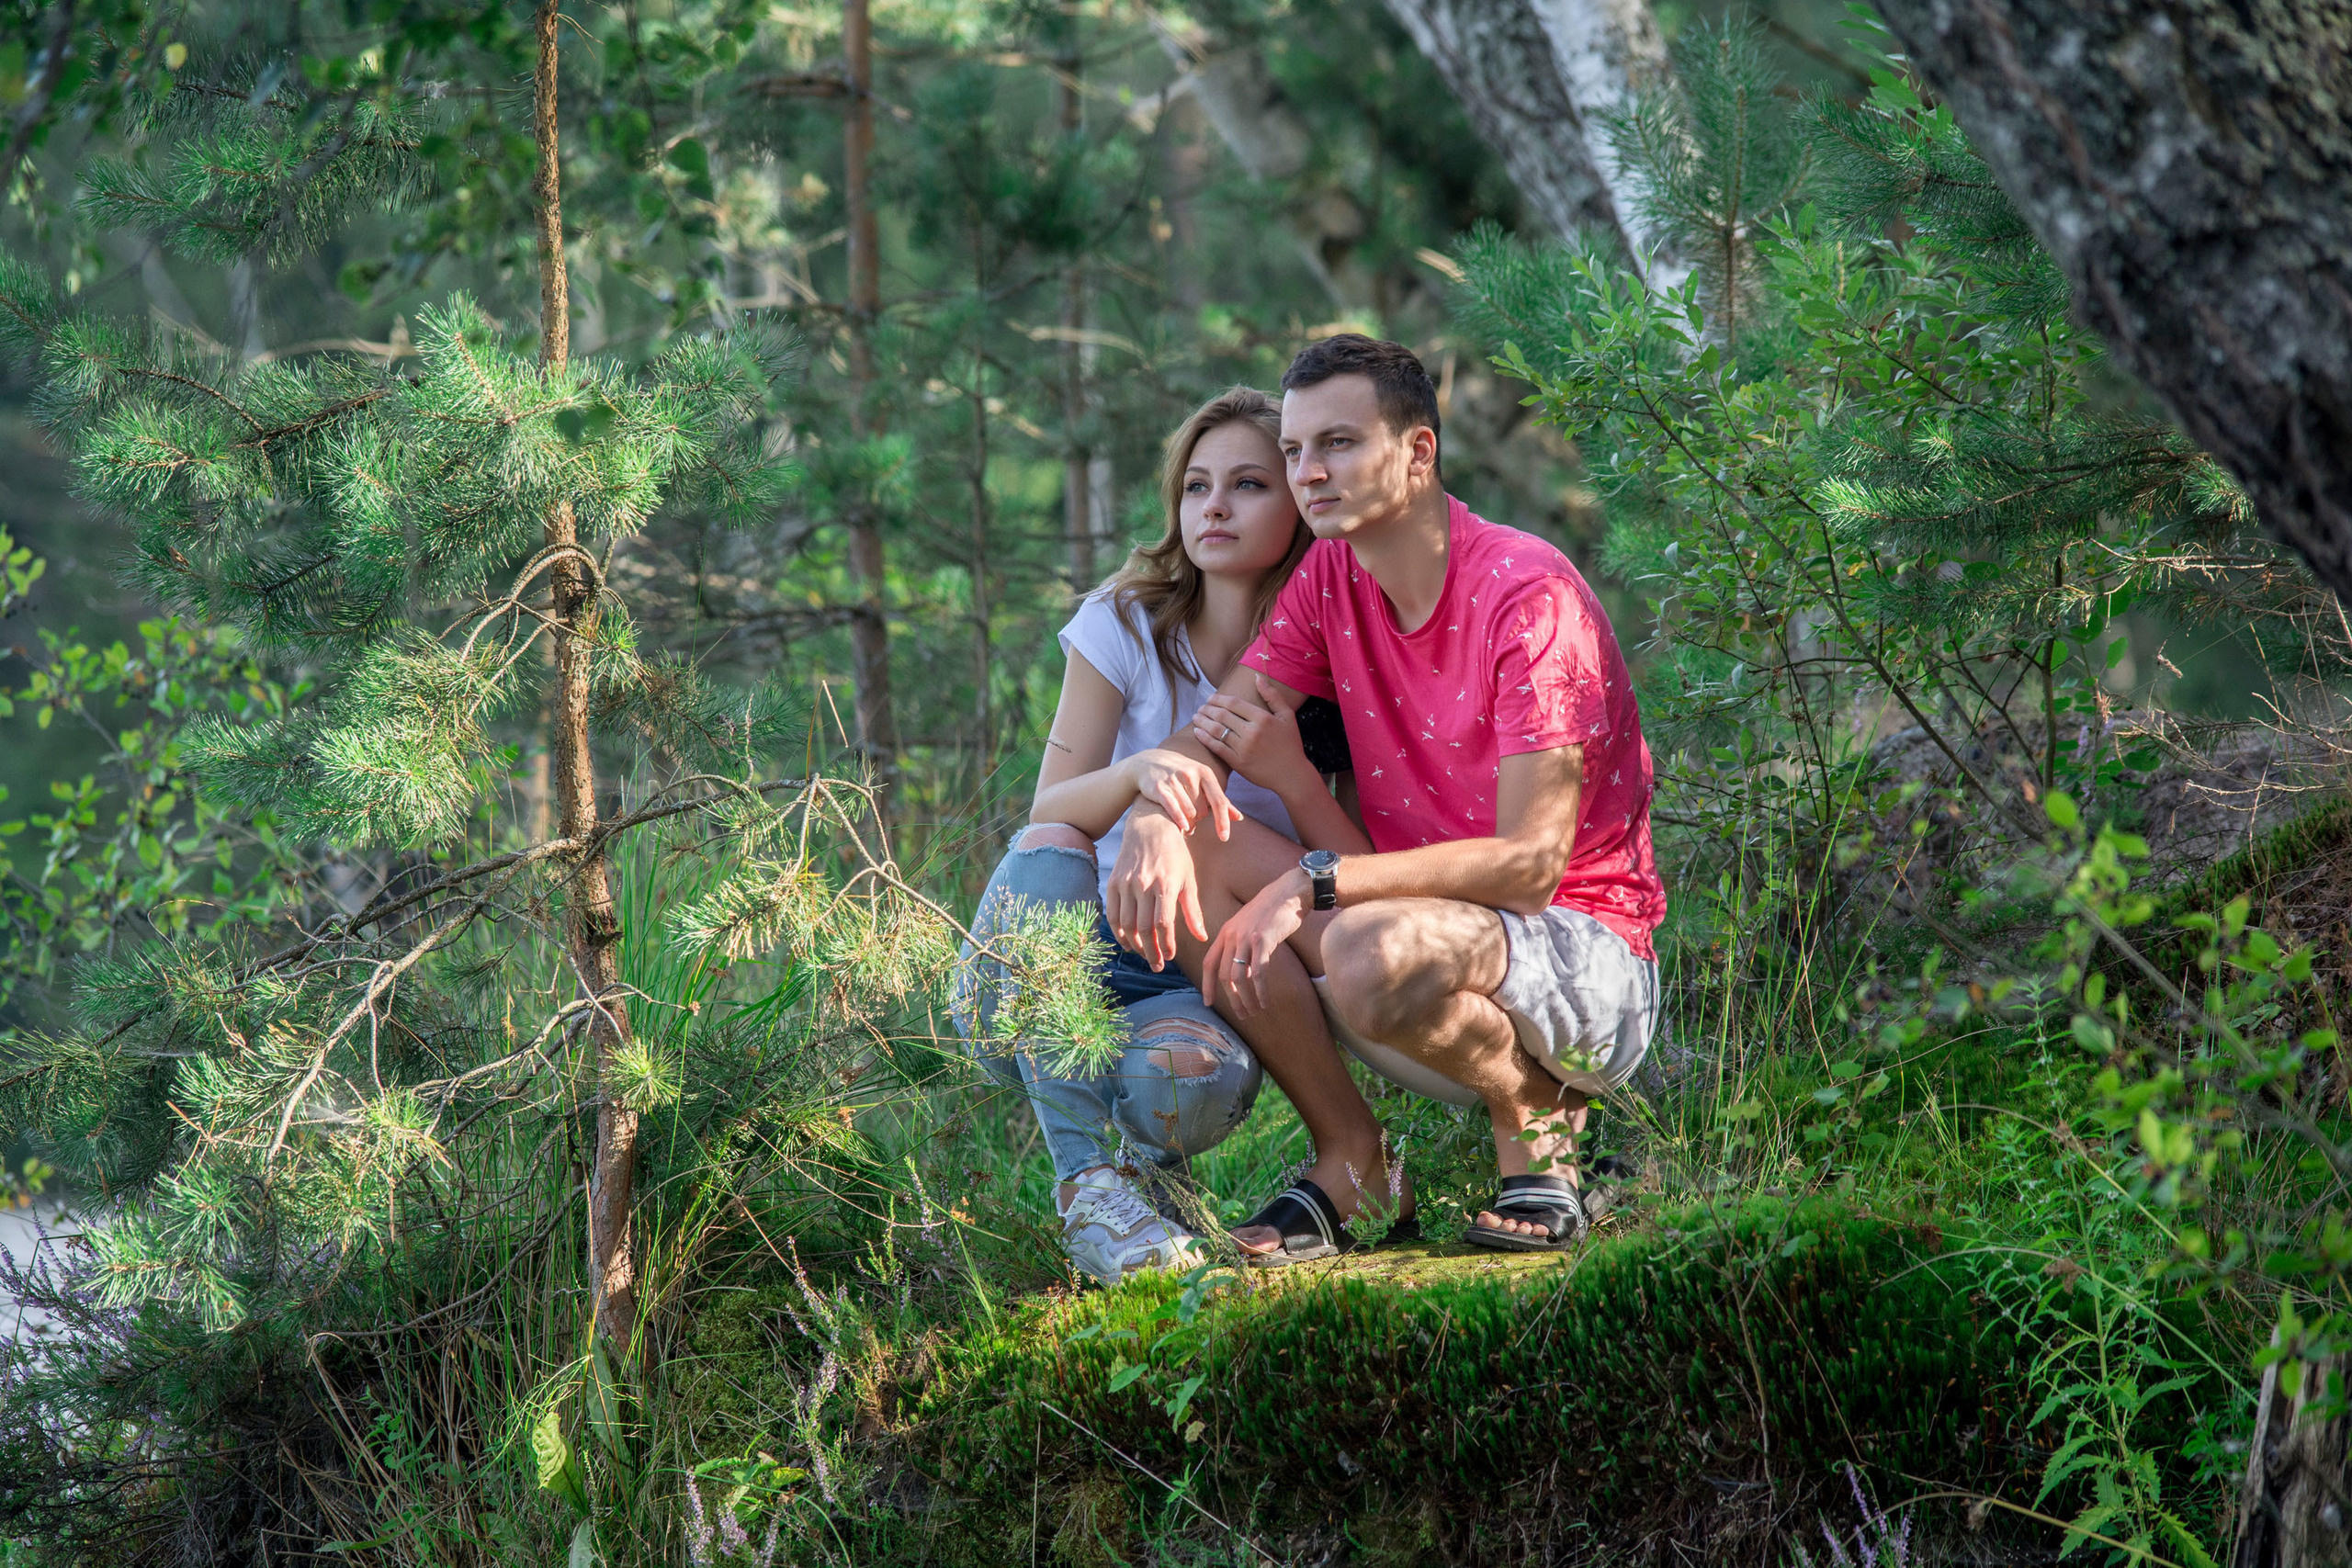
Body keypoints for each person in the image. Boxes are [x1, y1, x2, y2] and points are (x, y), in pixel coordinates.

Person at [1102, 334, 1667, 1262]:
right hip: (1418, 933)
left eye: (1337, 444)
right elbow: (1219, 726)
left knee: (1364, 945)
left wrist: (1311, 884)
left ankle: (1538, 1119)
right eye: (1292, 451)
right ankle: (1352, 1161)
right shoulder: (1331, 578)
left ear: (1416, 452)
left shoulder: (1528, 597)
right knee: (1195, 847)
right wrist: (1157, 816)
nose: (1307, 474)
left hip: (1581, 956)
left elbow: (1531, 865)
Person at [953, 387, 1370, 1286]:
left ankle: (1153, 1189)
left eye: (1249, 484)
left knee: (1191, 1078)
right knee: (1059, 843)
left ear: (1300, 505)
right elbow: (1048, 814)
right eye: (1195, 486)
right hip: (1039, 950)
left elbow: (1343, 858)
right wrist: (1147, 778)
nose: (1213, 506)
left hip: (1177, 975)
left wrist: (1283, 776)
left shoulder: (1331, 659)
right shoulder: (1123, 622)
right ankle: (1087, 1188)